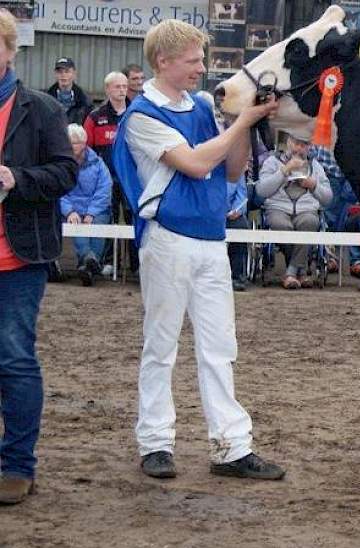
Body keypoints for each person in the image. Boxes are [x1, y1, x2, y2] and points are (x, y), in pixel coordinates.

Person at [112, 19, 284, 480]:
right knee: (161, 344)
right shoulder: (142, 116)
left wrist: (240, 122)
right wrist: (242, 121)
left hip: (210, 238)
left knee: (219, 345)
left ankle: (231, 445)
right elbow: (193, 164)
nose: (201, 68)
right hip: (167, 238)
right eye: (192, 61)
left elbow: (231, 170)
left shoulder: (203, 107)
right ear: (162, 62)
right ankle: (155, 441)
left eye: (201, 60)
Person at [0, 8, 79, 505]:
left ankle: (17, 465)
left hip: (17, 258)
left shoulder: (42, 110)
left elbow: (64, 174)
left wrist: (16, 179)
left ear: (9, 51)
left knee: (13, 359)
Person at [257, 133, 332, 289]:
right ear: (289, 142)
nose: (299, 148)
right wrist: (284, 171)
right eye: (297, 143)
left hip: (306, 209)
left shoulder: (315, 166)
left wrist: (313, 186)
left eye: (304, 145)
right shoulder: (272, 162)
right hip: (278, 207)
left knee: (310, 222)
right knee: (282, 225)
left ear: (310, 147)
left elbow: (328, 198)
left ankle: (291, 272)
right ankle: (302, 270)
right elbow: (261, 191)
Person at [84, 71, 135, 278]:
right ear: (107, 89)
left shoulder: (137, 113)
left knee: (134, 219)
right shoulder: (95, 117)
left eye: (124, 86)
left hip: (131, 179)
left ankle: (137, 265)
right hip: (105, 181)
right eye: (117, 87)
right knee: (106, 219)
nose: (122, 90)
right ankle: (106, 262)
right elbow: (86, 150)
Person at [314, 145, 360, 292]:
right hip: (328, 171)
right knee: (329, 218)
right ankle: (330, 257)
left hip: (354, 173)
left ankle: (357, 260)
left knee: (353, 219)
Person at [61, 124, 112, 286]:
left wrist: (91, 212)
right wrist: (69, 211)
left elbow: (105, 189)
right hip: (73, 210)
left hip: (97, 210)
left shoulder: (98, 163)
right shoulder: (61, 164)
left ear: (84, 143)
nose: (72, 146)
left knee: (98, 225)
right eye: (69, 142)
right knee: (78, 225)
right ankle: (91, 262)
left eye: (75, 143)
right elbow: (59, 191)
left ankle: (87, 265)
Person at [46, 57, 92, 125]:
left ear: (74, 74)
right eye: (60, 72)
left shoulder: (85, 102)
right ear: (55, 74)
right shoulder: (46, 100)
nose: (63, 75)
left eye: (67, 71)